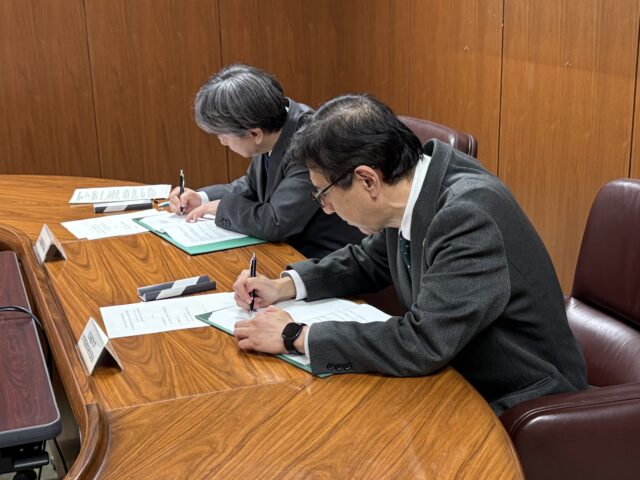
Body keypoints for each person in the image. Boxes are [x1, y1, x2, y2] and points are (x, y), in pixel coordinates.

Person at [231, 94, 588, 415]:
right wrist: (285, 286)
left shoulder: (466, 216)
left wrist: (296, 335)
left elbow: (423, 342)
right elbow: (371, 260)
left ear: (367, 180)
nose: (325, 208)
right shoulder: (413, 186)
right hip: (453, 376)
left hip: (517, 398)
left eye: (322, 193)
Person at [169, 64, 363, 258]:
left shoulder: (309, 145)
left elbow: (276, 222)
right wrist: (202, 198)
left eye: (223, 136)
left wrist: (222, 208)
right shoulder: (274, 124)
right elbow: (251, 185)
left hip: (323, 256)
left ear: (255, 134)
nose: (222, 142)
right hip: (289, 247)